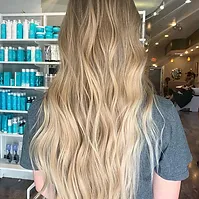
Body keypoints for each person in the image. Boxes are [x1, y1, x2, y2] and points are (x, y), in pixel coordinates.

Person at [20, 0, 192, 199]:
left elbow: (46, 190)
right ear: (130, 39)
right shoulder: (161, 114)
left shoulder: (43, 110)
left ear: (69, 38)